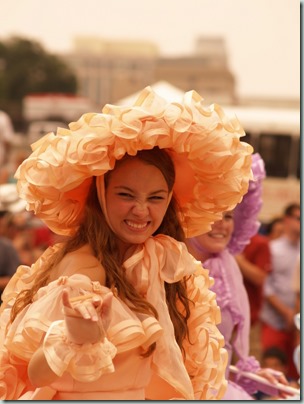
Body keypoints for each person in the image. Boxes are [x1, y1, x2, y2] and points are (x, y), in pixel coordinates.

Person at [0, 86, 254, 400]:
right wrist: (72, 337)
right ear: (100, 195)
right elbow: (34, 373)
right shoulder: (85, 265)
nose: (141, 210)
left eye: (155, 198)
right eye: (126, 195)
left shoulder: (152, 258)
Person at [186, 153, 289, 400]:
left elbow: (221, 355)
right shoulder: (165, 265)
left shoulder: (226, 267)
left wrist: (255, 376)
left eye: (229, 216)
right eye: (214, 214)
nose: (222, 224)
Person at [260, 202, 300, 380]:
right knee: (273, 373)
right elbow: (266, 285)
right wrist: (286, 312)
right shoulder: (273, 248)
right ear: (287, 220)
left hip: (298, 325)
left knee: (296, 374)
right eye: (299, 218)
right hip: (275, 320)